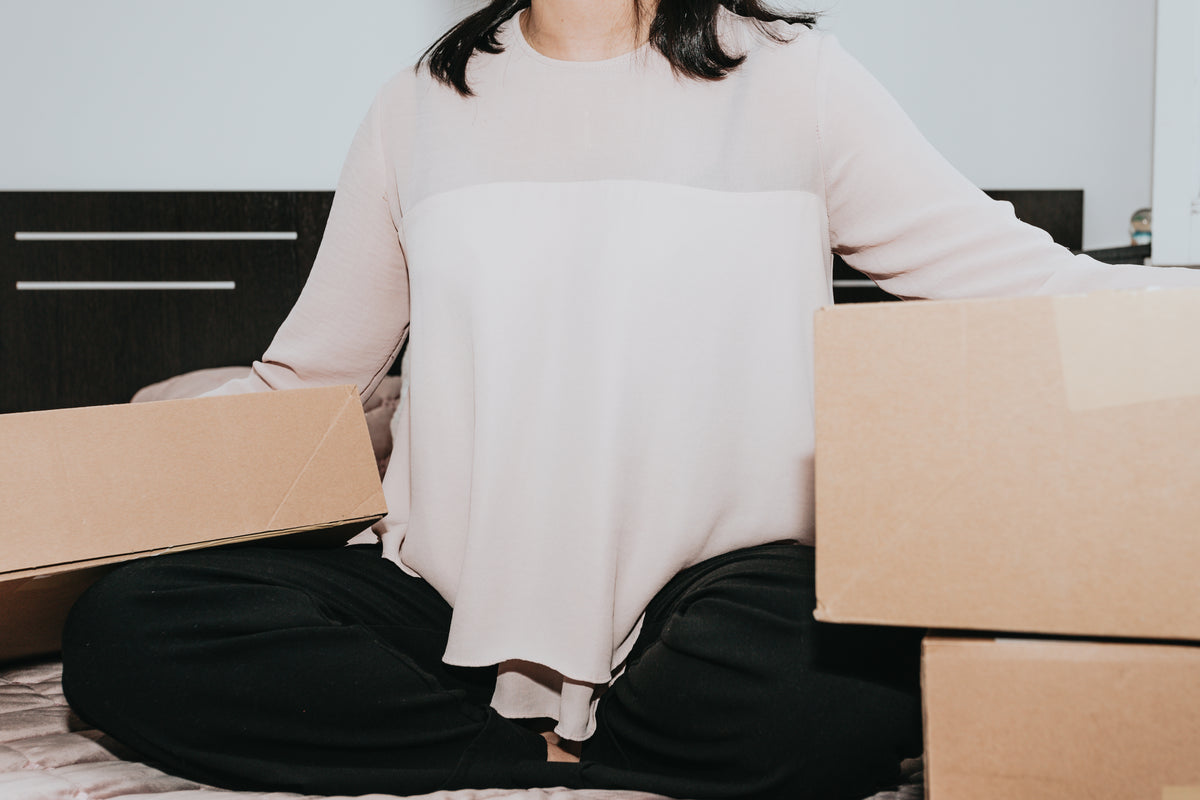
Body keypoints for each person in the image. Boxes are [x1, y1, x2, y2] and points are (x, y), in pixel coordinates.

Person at [58, 1, 1200, 799]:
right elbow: (308, 384)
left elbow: (1034, 287)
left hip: (722, 590)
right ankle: (543, 758)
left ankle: (578, 736)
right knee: (129, 630)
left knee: (861, 664)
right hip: (451, 591)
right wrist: (126, 461)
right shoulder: (420, 103)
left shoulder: (795, 79)